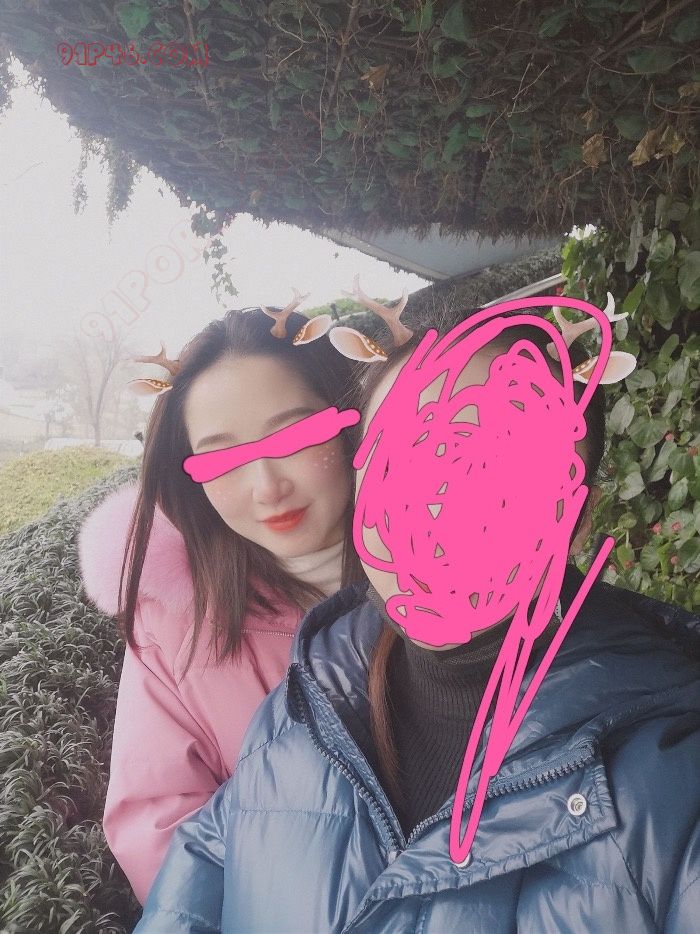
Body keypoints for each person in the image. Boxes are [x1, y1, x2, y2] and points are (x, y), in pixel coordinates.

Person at [134, 302, 700, 933]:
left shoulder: (672, 784)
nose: (432, 516)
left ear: (576, 515)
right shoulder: (302, 709)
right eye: (397, 464)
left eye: (497, 473)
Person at [78, 301, 363, 905]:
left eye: (295, 435)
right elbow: (162, 830)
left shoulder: (453, 571)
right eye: (223, 459)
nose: (267, 487)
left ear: (350, 422)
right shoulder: (173, 626)